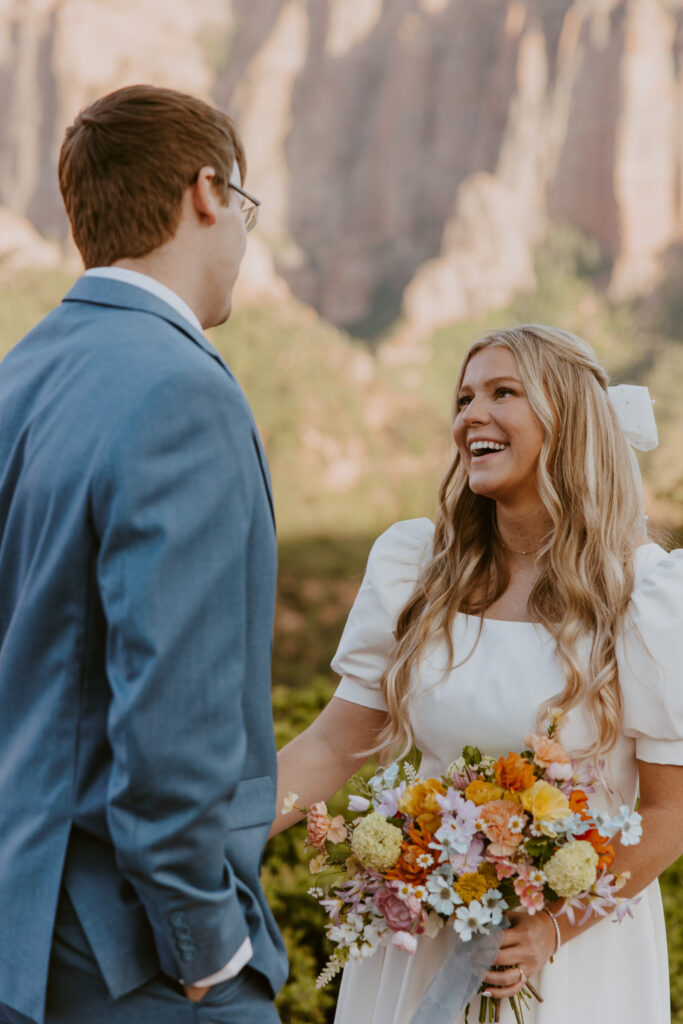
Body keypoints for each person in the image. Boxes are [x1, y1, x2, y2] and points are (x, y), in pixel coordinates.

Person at [273, 325, 683, 1023]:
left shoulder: (641, 595)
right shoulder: (414, 568)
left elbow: (667, 810)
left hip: (569, 951)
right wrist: (205, 834)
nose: (470, 416)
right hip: (420, 936)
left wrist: (551, 929)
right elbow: (334, 743)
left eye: (502, 393)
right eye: (463, 398)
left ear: (568, 419)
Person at [0, 85, 287, 1024]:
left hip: (21, 927)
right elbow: (176, 706)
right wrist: (206, 946)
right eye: (243, 208)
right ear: (206, 194)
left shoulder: (23, 374)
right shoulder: (182, 392)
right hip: (134, 958)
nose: (242, 239)